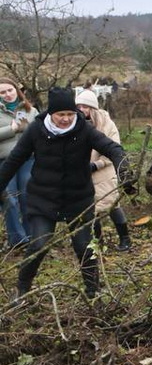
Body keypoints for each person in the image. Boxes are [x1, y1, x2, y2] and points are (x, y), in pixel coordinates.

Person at [0, 87, 131, 302]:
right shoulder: (36, 130)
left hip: (78, 198)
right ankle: (22, 289)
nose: (66, 119)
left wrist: (123, 169)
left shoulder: (84, 129)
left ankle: (93, 291)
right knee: (39, 244)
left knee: (84, 246)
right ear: (51, 113)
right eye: (61, 114)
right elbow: (14, 160)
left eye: (70, 114)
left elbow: (112, 148)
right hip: (43, 198)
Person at [75, 89, 132, 251]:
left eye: (85, 106)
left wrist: (96, 165)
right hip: (84, 173)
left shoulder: (106, 124)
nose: (81, 109)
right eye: (79, 106)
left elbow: (114, 149)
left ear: (92, 107)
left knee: (112, 204)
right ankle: (98, 242)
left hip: (104, 171)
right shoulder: (75, 124)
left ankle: (125, 239)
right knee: (90, 209)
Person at [0, 78, 35, 249]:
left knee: (28, 197)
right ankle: (17, 240)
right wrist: (11, 129)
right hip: (4, 161)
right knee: (9, 199)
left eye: (10, 90)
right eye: (2, 92)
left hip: (27, 160)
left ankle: (32, 237)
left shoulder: (31, 110)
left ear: (17, 90)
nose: (8, 94)